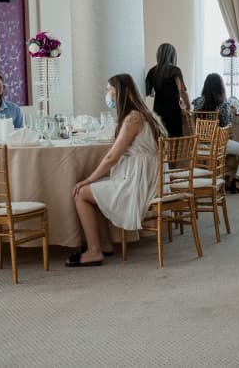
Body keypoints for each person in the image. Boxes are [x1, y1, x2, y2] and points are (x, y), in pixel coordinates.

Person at [67, 74, 164, 267]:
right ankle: (104, 244)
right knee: (95, 192)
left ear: (118, 93)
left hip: (136, 183)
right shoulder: (146, 114)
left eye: (109, 90)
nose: (107, 94)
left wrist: (87, 179)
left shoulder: (133, 119)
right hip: (147, 178)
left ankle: (94, 251)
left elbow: (112, 157)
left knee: (81, 193)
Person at [191, 73, 239, 194]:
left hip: (200, 144)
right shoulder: (222, 104)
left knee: (230, 152)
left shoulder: (197, 102)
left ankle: (225, 178)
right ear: (220, 87)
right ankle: (236, 180)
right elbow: (227, 126)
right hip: (218, 143)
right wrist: (231, 112)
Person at [145, 43, 189, 137]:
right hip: (173, 110)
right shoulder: (175, 70)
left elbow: (146, 92)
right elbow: (181, 91)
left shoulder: (152, 71)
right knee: (175, 138)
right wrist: (188, 107)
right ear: (172, 55)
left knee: (160, 137)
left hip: (157, 109)